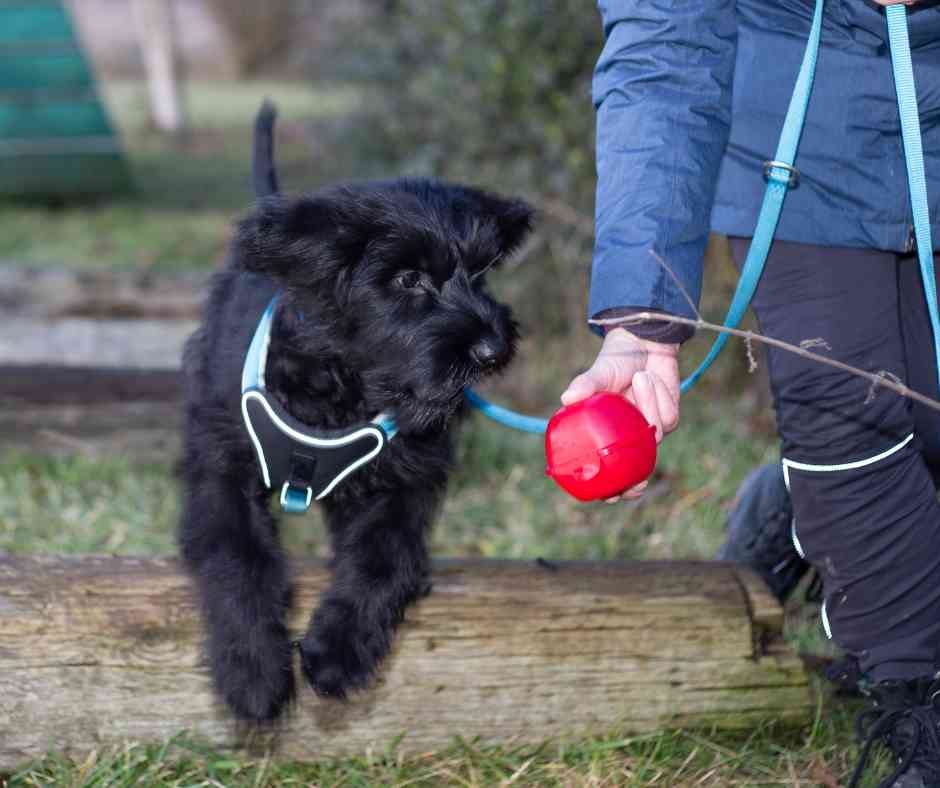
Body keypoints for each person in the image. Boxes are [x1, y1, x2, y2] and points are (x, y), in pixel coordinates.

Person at [563, 2, 940, 786]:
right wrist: (643, 315)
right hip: (800, 128)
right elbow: (664, 45)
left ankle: (786, 508)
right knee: (847, 407)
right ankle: (916, 714)